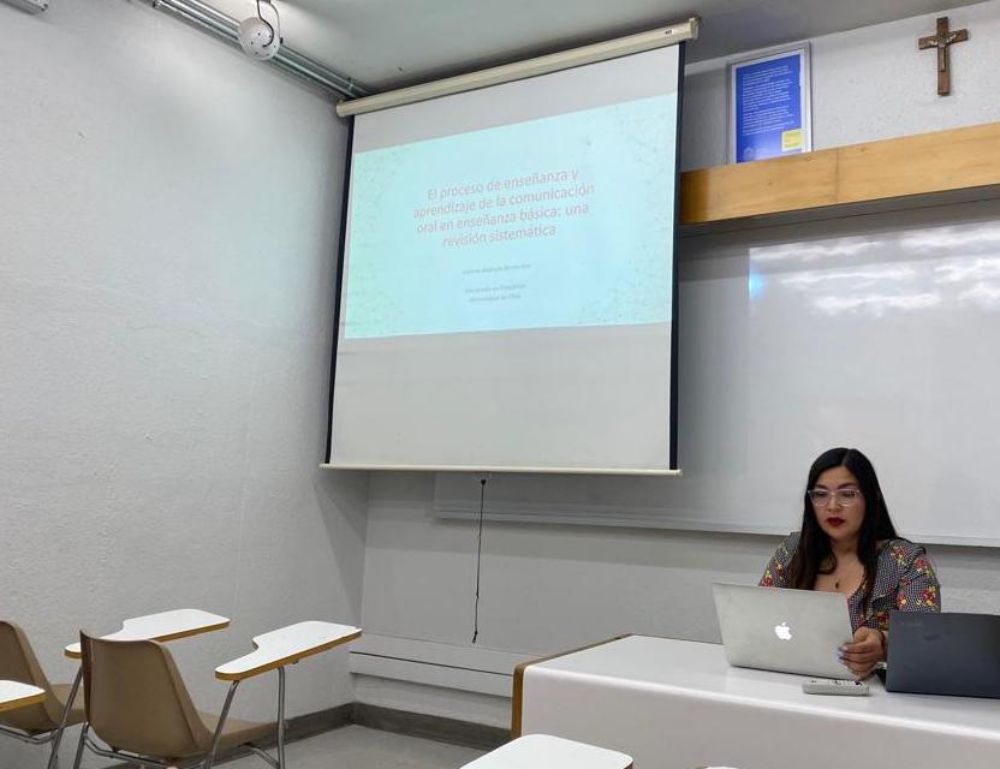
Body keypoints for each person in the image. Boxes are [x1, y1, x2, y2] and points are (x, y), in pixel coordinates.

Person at [759, 447, 940, 678]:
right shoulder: (794, 550)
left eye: (847, 494)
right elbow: (759, 616)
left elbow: (927, 636)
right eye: (821, 494)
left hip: (874, 699)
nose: (832, 506)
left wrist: (883, 642)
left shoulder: (905, 560)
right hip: (794, 685)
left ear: (870, 498)